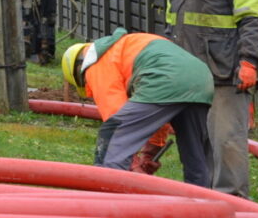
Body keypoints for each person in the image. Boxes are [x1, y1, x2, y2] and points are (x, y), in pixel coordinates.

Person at [163, 0, 258, 198]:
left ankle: (234, 209)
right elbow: (173, 23)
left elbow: (254, 17)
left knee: (227, 144)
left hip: (227, 72)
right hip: (189, 74)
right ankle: (204, 204)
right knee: (197, 145)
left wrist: (249, 61)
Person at [62, 28, 214, 187]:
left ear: (79, 70)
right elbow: (158, 114)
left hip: (166, 78)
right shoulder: (126, 47)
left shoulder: (97, 63)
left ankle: (108, 195)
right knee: (196, 157)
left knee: (111, 135)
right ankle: (203, 203)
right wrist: (150, 154)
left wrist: (133, 164)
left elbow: (116, 119)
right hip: (201, 79)